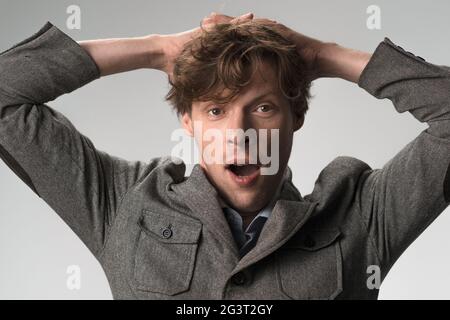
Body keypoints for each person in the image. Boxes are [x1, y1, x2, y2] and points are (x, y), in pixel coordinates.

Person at [0, 11, 448, 299]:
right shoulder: (123, 203)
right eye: (215, 109)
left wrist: (321, 55)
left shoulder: (360, 217)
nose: (239, 133)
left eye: (264, 107)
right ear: (188, 123)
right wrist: (158, 50)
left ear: (297, 116)